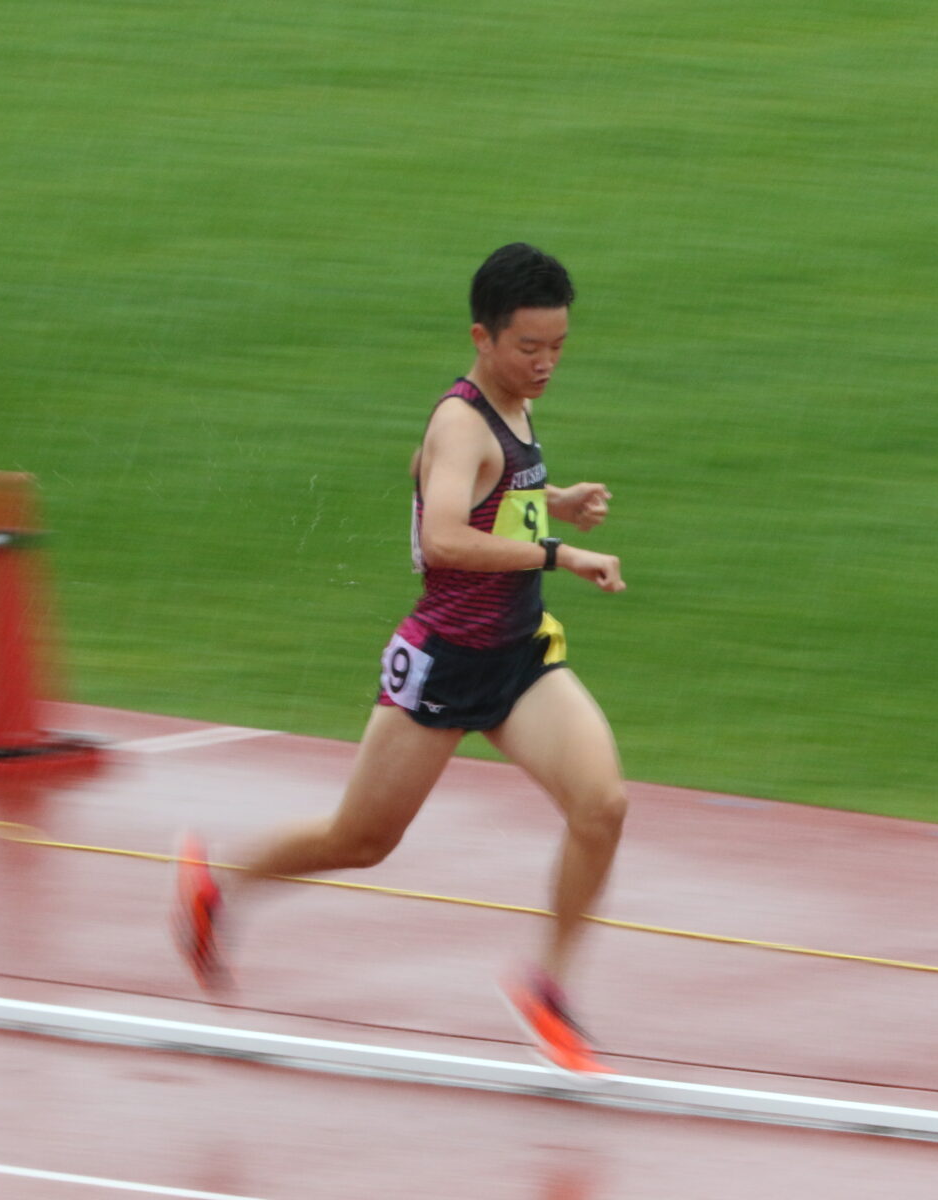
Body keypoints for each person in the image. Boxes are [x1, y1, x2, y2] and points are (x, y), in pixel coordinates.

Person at [177, 243, 629, 1074]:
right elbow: (443, 536)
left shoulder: (508, 409)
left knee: (602, 804)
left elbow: (460, 487)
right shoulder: (461, 419)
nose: (546, 364)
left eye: (559, 347)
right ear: (482, 337)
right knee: (360, 840)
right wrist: (559, 551)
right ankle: (221, 885)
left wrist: (548, 500)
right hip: (445, 663)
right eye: (529, 348)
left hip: (519, 657)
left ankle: (547, 989)